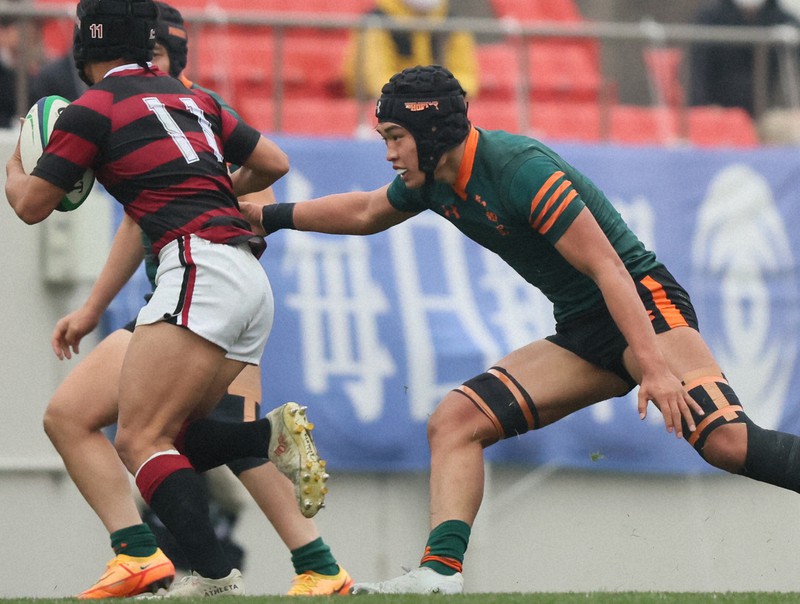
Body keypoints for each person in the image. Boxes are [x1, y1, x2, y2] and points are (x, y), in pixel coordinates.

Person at [240, 64, 800, 594]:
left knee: (726, 442)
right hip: (585, 326)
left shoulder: (517, 167)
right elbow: (364, 212)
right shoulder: (433, 177)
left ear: (432, 131)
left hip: (645, 308)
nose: (388, 153)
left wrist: (653, 364)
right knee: (455, 421)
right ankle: (439, 574)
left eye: (395, 136)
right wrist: (267, 217)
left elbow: (609, 266)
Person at [5, 0, 330, 597]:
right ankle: (257, 471)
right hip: (245, 277)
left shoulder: (92, 109)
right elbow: (273, 163)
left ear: (85, 46)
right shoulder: (197, 100)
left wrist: (17, 161)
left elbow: (30, 207)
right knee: (161, 431)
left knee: (137, 438)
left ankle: (177, 565)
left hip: (195, 273)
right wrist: (211, 195)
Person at [342, 0, 478, 100]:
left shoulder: (452, 23)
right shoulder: (376, 22)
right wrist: (418, 95)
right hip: (390, 109)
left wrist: (439, 93)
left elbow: (466, 77)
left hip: (438, 107)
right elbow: (374, 81)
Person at [688, 0, 800, 117]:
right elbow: (696, 72)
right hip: (719, 111)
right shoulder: (709, 17)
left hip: (768, 113)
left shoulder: (785, 22)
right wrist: (701, 108)